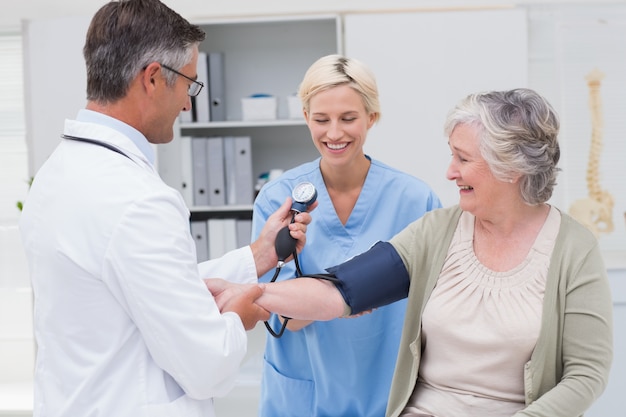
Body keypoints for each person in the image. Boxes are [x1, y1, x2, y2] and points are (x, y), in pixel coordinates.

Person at [208, 88, 614, 417]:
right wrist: (244, 292)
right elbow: (340, 292)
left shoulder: (573, 250)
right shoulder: (438, 232)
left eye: (463, 159)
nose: (449, 171)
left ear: (510, 168)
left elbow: (585, 374)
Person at [18, 1, 314, 416]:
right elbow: (206, 367)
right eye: (189, 85)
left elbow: (137, 287)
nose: (188, 105)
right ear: (154, 78)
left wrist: (256, 257)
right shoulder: (137, 200)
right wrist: (238, 317)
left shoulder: (57, 174)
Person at [251, 54, 441, 416]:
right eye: (321, 119)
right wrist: (343, 298)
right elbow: (284, 318)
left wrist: (332, 298)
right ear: (306, 117)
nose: (334, 133)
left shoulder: (415, 200)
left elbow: (435, 314)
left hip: (388, 394)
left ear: (372, 117)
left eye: (348, 118)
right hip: (305, 396)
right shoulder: (278, 199)